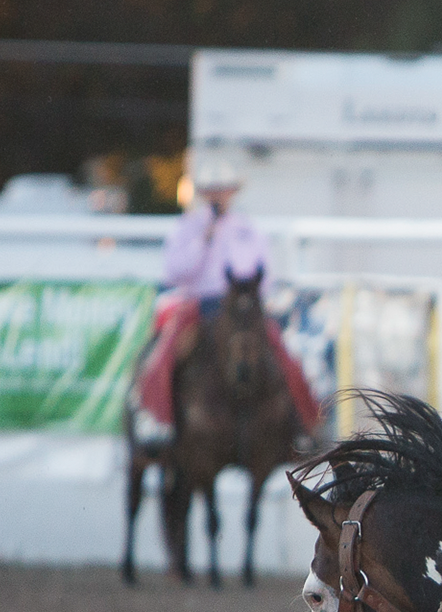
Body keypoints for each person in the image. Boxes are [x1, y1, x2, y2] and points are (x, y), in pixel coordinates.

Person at [132, 149, 319, 446]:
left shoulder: (248, 229)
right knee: (166, 351)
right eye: (212, 190)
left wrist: (254, 296)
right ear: (204, 193)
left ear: (232, 192)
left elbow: (264, 274)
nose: (218, 196)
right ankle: (155, 419)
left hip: (243, 306)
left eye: (223, 190)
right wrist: (202, 242)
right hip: (200, 305)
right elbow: (175, 272)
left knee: (284, 353)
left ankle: (303, 424)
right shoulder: (188, 227)